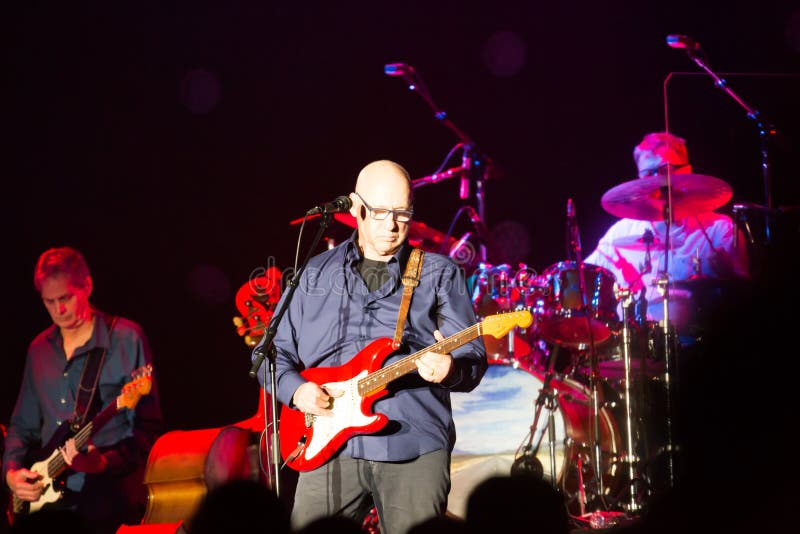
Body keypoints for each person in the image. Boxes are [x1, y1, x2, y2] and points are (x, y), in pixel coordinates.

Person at [255, 160, 487, 534]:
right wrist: (296, 391)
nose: (392, 225)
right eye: (380, 213)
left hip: (412, 440)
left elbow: (472, 357)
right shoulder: (313, 274)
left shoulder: (439, 273)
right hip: (326, 444)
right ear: (356, 208)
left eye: (402, 214)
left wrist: (451, 369)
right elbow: (269, 354)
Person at [3, 246, 164, 534]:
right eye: (49, 302)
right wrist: (12, 473)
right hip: (47, 506)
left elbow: (148, 429)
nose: (59, 310)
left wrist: (104, 463)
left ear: (87, 285)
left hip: (109, 502)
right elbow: (21, 426)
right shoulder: (38, 349)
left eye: (65, 298)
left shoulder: (126, 338)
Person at [584, 131, 750, 336]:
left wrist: (729, 274)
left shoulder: (720, 230)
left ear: (687, 170)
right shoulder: (620, 233)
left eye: (665, 170)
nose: (657, 182)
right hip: (634, 350)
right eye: (648, 175)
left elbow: (748, 301)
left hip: (703, 350)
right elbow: (585, 279)